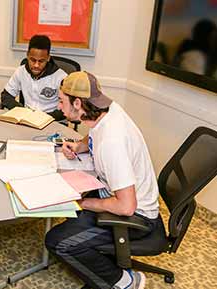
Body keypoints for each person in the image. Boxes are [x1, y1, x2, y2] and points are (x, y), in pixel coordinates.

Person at [45, 71, 165, 289]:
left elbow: (126, 206)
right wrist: (80, 146)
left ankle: (124, 281)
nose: (59, 106)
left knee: (57, 242)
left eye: (62, 101)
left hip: (137, 218)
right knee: (66, 193)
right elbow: (93, 133)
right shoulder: (108, 111)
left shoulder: (111, 143)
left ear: (78, 103)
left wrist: (83, 203)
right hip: (117, 195)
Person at [0, 34, 67, 120]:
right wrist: (21, 111)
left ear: (48, 58)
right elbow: (6, 96)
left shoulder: (61, 77)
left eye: (41, 61)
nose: (36, 65)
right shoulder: (21, 71)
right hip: (27, 119)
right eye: (33, 60)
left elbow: (68, 107)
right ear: (27, 55)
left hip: (52, 121)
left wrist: (45, 117)